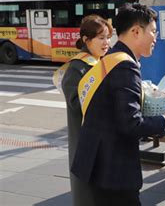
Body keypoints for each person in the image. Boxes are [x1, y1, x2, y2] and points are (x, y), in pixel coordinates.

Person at [71, 4, 165, 206]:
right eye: (153, 32)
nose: (155, 38)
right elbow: (130, 124)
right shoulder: (125, 66)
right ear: (136, 31)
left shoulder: (110, 58)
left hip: (99, 162)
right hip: (113, 170)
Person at [60, 15, 112, 206]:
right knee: (87, 194)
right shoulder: (77, 68)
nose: (106, 43)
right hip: (85, 142)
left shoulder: (101, 62)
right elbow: (76, 103)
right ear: (86, 40)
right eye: (101, 38)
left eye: (107, 37)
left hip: (101, 140)